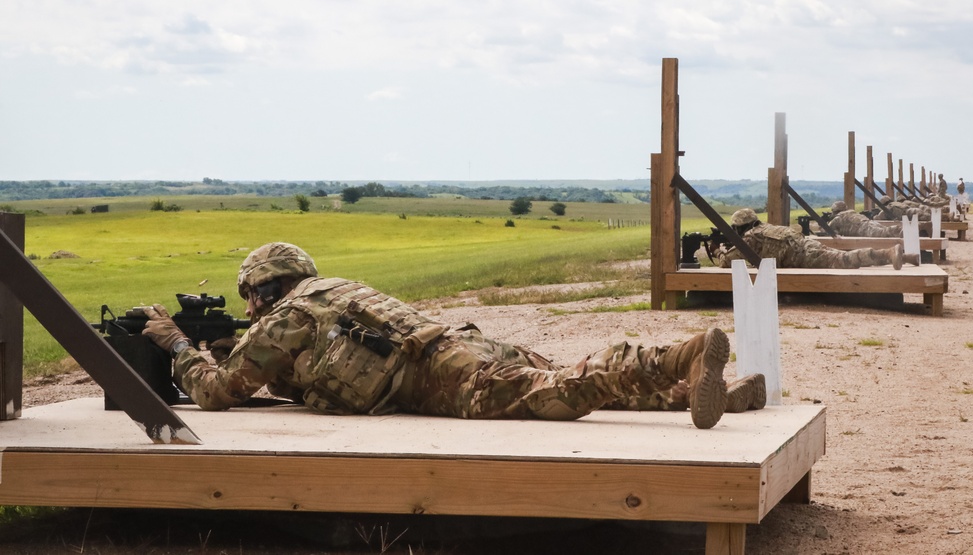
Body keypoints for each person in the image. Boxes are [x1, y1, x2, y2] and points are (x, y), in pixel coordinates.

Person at [141, 242, 766, 431]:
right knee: (555, 377)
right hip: (459, 343)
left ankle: (675, 354)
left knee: (555, 395)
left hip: (442, 374)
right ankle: (694, 390)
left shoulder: (285, 318)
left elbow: (221, 392)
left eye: (249, 296)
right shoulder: (331, 291)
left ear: (261, 291)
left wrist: (177, 346)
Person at [714, 208, 918, 270]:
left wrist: (717, 250)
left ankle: (889, 253)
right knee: (843, 256)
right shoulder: (764, 228)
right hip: (807, 245)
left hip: (804, 255)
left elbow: (726, 263)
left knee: (845, 261)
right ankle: (906, 257)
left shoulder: (749, 238)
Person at [828, 201, 930, 238]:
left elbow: (828, 232)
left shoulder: (838, 218)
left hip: (863, 230)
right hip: (870, 223)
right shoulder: (851, 212)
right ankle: (914, 228)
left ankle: (916, 227)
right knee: (885, 231)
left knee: (885, 233)